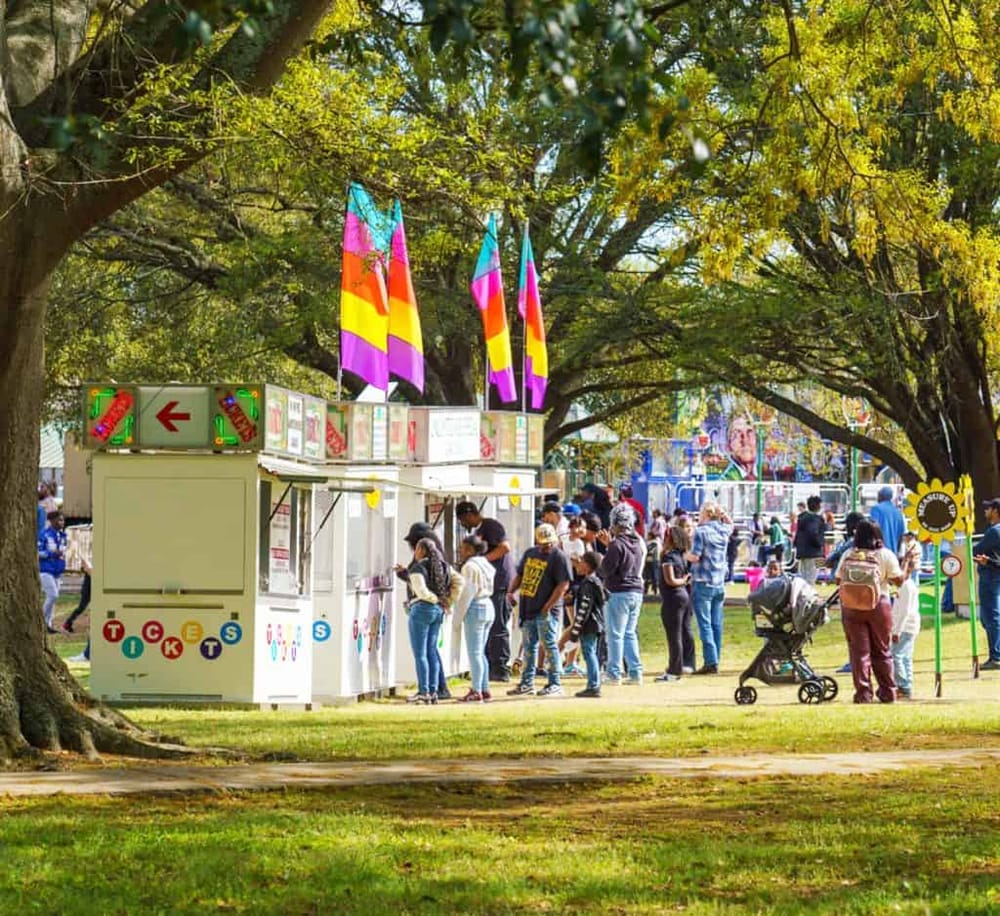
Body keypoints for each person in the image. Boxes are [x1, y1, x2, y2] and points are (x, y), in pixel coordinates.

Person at [835, 519, 904, 703]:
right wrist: (906, 567)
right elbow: (898, 581)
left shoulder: (849, 554)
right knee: (882, 650)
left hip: (851, 606)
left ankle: (863, 693)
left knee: (859, 652)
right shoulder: (885, 554)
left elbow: (838, 579)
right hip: (879, 604)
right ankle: (888, 692)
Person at [507, 524, 573, 696]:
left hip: (547, 611)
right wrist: (511, 591)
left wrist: (548, 606)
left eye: (549, 543)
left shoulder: (559, 557)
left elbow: (563, 585)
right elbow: (520, 575)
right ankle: (527, 683)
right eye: (543, 543)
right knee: (529, 647)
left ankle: (555, 683)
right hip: (528, 608)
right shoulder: (530, 553)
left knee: (550, 646)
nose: (546, 546)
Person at [455, 501, 516, 683]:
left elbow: (505, 547)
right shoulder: (477, 531)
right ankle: (487, 668)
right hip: (489, 587)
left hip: (499, 583)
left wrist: (482, 560)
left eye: (462, 520)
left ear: (469, 514)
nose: (463, 524)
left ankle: (500, 668)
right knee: (489, 630)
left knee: (498, 627)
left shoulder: (490, 525)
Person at [400, 522, 461, 699]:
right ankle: (435, 690)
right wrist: (446, 602)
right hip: (438, 611)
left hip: (421, 609)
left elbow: (421, 590)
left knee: (420, 654)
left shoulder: (417, 567)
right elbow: (459, 582)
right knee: (432, 651)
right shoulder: (443, 565)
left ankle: (424, 690)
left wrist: (434, 599)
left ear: (420, 549)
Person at [597, 503, 646, 686]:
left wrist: (605, 553)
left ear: (615, 524)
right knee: (629, 634)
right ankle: (635, 672)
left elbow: (606, 569)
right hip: (636, 591)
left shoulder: (616, 544)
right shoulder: (637, 543)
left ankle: (614, 673)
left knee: (615, 634)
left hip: (618, 592)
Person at [685, 501, 733, 675]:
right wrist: (724, 514)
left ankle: (710, 662)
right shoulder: (723, 530)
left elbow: (696, 556)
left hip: (702, 580)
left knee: (704, 624)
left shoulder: (701, 531)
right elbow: (731, 525)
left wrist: (683, 554)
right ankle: (715, 658)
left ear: (705, 514)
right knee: (716, 624)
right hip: (719, 581)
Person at [453, 535, 496, 703]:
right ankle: (484, 688)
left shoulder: (469, 566)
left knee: (474, 652)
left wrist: (457, 617)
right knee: (481, 652)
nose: (460, 551)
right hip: (488, 605)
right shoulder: (485, 564)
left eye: (462, 549)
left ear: (470, 550)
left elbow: (467, 594)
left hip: (476, 607)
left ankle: (476, 689)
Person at [562, 551, 606, 697]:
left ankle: (593, 685)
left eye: (580, 562)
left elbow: (584, 608)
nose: (577, 565)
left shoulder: (588, 584)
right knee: (590, 652)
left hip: (589, 624)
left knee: (589, 653)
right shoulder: (595, 581)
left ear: (587, 565)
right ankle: (594, 684)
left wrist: (577, 628)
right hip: (595, 623)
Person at [656, 523, 694, 682]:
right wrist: (684, 581)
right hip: (684, 596)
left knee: (674, 636)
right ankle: (686, 663)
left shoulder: (669, 557)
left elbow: (670, 580)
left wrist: (682, 580)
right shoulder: (681, 556)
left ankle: (674, 670)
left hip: (673, 597)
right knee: (684, 631)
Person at [973, 498, 1000, 670]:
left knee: (990, 617)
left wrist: (988, 562)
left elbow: (975, 550)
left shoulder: (994, 531)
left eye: (988, 508)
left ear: (995, 511)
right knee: (990, 617)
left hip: (991, 577)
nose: (985, 511)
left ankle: (996, 657)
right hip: (995, 575)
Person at [891, 543, 921, 698]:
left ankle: (902, 686)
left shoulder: (906, 587)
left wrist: (897, 631)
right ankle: (907, 685)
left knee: (896, 655)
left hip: (905, 627)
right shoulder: (905, 585)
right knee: (905, 656)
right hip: (909, 626)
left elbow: (904, 611)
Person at [38, 510, 67, 634]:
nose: (62, 522)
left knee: (53, 600)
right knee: (53, 595)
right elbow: (38, 552)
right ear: (52, 521)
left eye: (63, 520)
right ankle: (39, 620)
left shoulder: (63, 536)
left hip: (57, 571)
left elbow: (63, 551)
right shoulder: (44, 534)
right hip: (46, 570)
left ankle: (48, 625)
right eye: (60, 520)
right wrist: (52, 554)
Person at [62, 532, 92, 634]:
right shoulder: (86, 558)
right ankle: (67, 624)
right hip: (88, 587)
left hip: (95, 586)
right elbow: (88, 570)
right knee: (81, 607)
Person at [793, 495, 827, 584]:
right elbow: (813, 533)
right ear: (817, 505)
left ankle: (802, 591)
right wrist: (819, 543)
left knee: (803, 577)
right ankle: (808, 592)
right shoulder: (816, 519)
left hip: (802, 552)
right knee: (811, 578)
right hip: (815, 552)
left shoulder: (802, 517)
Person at [870, 485, 905, 556]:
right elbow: (901, 535)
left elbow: (873, 527)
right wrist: (897, 551)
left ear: (881, 496)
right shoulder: (898, 512)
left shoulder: (876, 509)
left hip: (879, 551)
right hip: (893, 553)